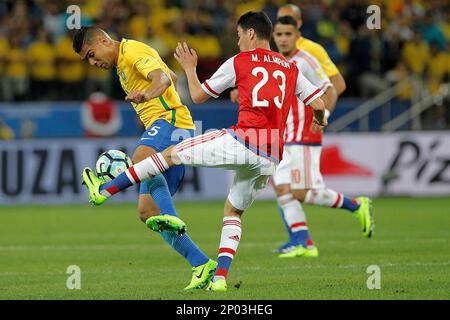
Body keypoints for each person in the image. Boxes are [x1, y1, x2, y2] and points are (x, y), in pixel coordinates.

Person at [80, 11, 327, 292]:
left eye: (237, 35)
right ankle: (217, 276)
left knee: (169, 155)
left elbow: (197, 96)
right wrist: (319, 121)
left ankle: (105, 190)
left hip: (242, 141)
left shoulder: (239, 61)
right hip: (271, 155)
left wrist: (189, 67)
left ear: (249, 33)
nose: (237, 42)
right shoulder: (290, 67)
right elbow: (318, 104)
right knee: (232, 211)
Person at [72, 26, 216, 290]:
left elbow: (162, 78)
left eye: (92, 54)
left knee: (140, 158)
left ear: (104, 40)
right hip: (166, 125)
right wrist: (153, 88)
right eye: (88, 60)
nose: (94, 63)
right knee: (147, 211)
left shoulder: (132, 51)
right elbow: (170, 75)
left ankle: (104, 190)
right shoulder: (123, 64)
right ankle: (202, 264)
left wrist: (148, 94)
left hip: (172, 120)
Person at [270, 16, 374, 258]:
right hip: (284, 136)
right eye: (279, 34)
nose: (283, 39)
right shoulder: (274, 62)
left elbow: (330, 88)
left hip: (303, 133)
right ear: (273, 37)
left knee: (301, 192)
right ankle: (304, 243)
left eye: (288, 34)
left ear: (297, 35)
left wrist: (323, 115)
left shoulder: (306, 60)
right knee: (283, 190)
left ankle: (357, 205)